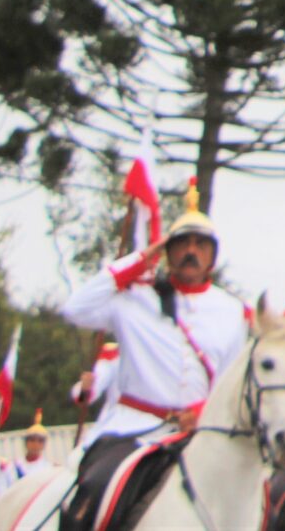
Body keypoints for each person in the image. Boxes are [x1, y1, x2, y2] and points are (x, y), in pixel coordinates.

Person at [58, 183, 249, 525]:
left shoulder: (231, 311)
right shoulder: (133, 298)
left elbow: (231, 380)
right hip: (134, 431)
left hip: (200, 435)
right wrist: (139, 260)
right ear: (167, 251)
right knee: (97, 488)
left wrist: (203, 412)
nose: (191, 251)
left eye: (201, 245)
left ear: (212, 256)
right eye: (182, 244)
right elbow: (74, 309)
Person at [0, 410, 55, 506]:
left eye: (40, 441)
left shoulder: (49, 469)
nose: (35, 444)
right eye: (32, 440)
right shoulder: (13, 465)